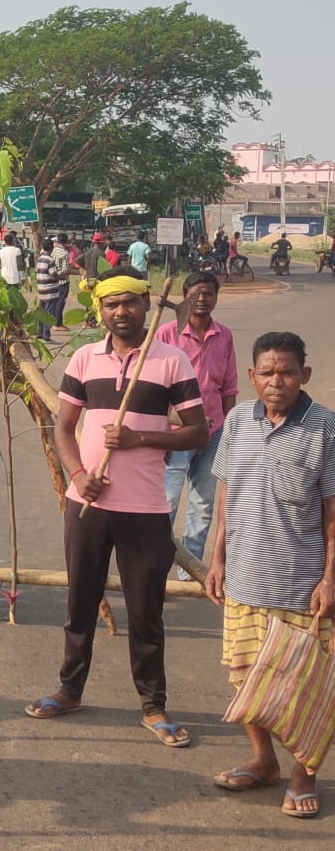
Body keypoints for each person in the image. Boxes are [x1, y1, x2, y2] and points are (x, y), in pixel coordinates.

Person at [26, 270, 209, 749]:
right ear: (100, 311)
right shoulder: (85, 359)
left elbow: (198, 432)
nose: (121, 312)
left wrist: (139, 438)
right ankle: (69, 690)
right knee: (79, 602)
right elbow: (63, 429)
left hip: (146, 508)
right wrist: (79, 475)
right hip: (88, 503)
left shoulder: (172, 361)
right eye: (111, 305)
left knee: (146, 612)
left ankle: (154, 704)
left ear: (147, 305)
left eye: (130, 303)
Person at [205, 331, 335, 819]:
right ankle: (264, 761)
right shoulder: (238, 421)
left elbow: (332, 511)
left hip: (302, 586)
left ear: (305, 375)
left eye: (286, 372)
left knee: (307, 686)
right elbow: (226, 495)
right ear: (253, 375)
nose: (276, 381)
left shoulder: (326, 429)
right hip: (243, 579)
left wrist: (330, 579)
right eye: (267, 372)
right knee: (245, 679)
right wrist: (216, 558)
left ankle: (305, 774)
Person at [157, 271, 237, 578]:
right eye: (196, 294)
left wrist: (228, 431)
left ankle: (188, 572)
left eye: (209, 294)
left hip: (214, 432)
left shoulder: (224, 335)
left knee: (203, 505)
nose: (202, 300)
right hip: (176, 432)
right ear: (185, 296)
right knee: (167, 502)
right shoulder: (167, 333)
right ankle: (159, 564)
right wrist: (161, 432)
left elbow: (229, 386)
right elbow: (155, 385)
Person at [34, 238, 63, 342]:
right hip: (50, 290)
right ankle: (46, 335)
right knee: (49, 313)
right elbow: (53, 274)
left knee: (42, 312)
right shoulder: (50, 260)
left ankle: (40, 332)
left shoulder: (40, 258)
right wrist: (61, 276)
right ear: (52, 248)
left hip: (41, 289)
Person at [51, 233, 73, 330]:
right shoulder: (64, 253)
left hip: (52, 279)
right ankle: (58, 323)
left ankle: (54, 321)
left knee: (54, 302)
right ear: (66, 241)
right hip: (62, 281)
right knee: (61, 302)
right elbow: (65, 270)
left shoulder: (52, 251)